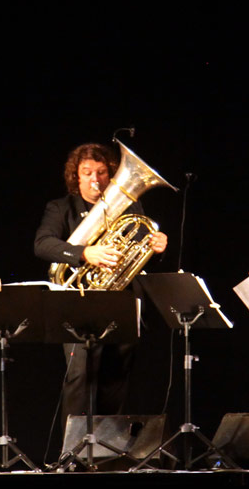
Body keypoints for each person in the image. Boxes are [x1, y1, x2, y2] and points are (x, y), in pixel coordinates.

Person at [34, 142, 168, 419]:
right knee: (79, 379)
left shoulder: (131, 207)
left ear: (110, 175)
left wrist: (157, 247)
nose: (95, 179)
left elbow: (139, 252)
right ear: (76, 176)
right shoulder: (61, 208)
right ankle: (72, 455)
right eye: (87, 172)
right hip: (77, 303)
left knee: (116, 380)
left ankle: (108, 455)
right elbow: (42, 244)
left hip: (121, 302)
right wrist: (85, 253)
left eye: (101, 172)